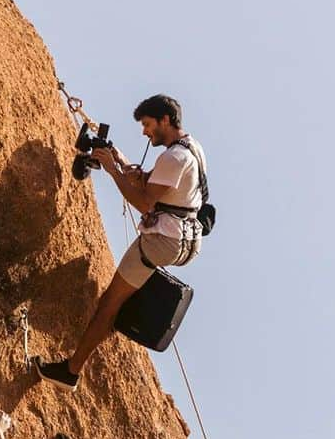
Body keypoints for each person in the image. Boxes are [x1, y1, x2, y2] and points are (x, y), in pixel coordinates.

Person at [36, 93, 208, 388]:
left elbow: (143, 203)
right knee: (117, 303)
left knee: (109, 304)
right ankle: (101, 335)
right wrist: (117, 157)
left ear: (165, 120)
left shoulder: (173, 157)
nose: (145, 131)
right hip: (186, 241)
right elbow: (153, 185)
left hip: (162, 242)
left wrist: (113, 170)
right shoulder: (190, 148)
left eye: (148, 124)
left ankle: (71, 372)